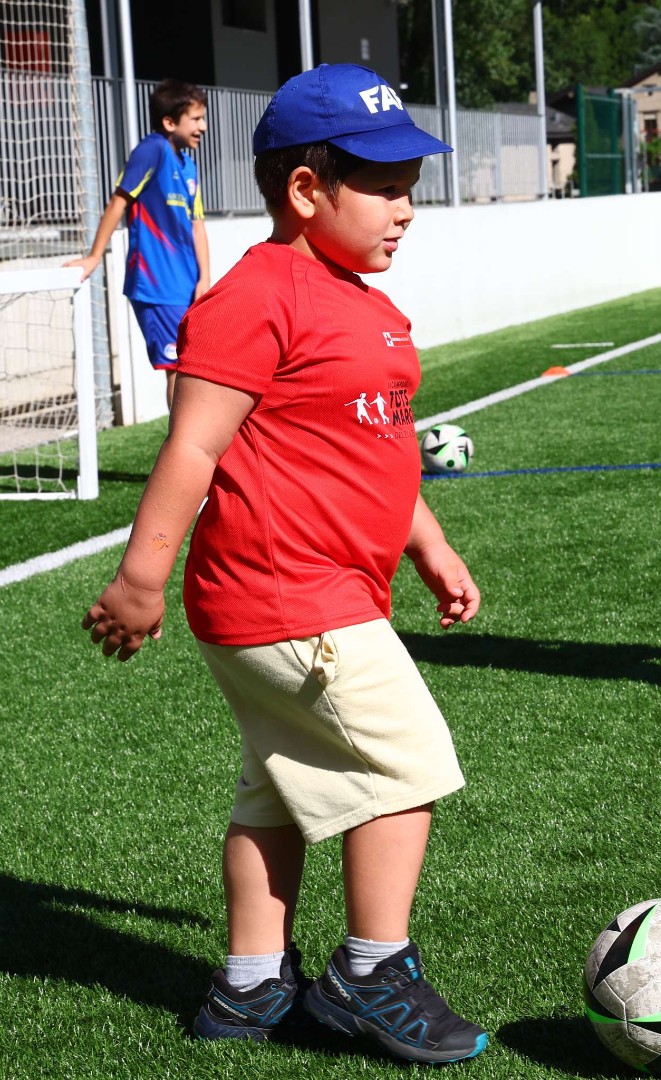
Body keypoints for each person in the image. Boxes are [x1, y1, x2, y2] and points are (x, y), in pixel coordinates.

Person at [81, 64, 487, 1064]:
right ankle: (369, 971)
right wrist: (142, 577)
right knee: (406, 765)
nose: (406, 208)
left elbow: (380, 445)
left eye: (410, 186)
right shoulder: (258, 296)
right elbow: (194, 445)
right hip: (282, 596)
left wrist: (428, 546)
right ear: (308, 192)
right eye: (385, 185)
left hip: (319, 593)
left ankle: (252, 987)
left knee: (279, 788)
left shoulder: (363, 304)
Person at [66, 79, 210, 409]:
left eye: (203, 118)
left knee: (193, 367)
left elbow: (197, 226)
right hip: (156, 285)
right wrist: (93, 257)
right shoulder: (152, 149)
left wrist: (204, 280)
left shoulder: (189, 166)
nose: (203, 126)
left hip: (187, 284)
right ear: (170, 122)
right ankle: (183, 453)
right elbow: (118, 202)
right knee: (178, 370)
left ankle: (190, 450)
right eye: (196, 118)